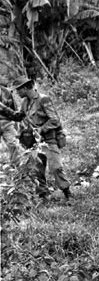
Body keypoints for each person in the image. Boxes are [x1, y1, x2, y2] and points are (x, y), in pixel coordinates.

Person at [12, 75, 72, 203]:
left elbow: (55, 120)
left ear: (25, 88)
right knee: (37, 170)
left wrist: (41, 129)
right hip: (35, 143)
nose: (17, 93)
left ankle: (68, 194)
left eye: (18, 90)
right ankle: (43, 196)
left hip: (49, 140)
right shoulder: (25, 102)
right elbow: (19, 115)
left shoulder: (43, 99)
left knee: (56, 167)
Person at [0, 79, 24, 164]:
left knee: (14, 145)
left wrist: (18, 126)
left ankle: (16, 168)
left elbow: (15, 111)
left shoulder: (6, 92)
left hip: (7, 123)